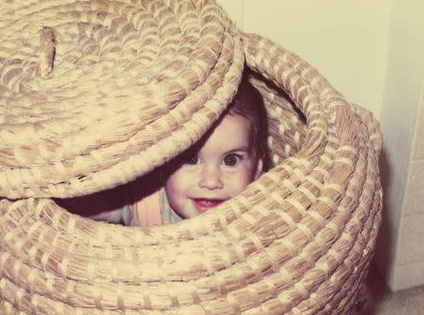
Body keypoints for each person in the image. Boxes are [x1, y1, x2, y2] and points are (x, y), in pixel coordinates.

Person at [58, 75, 269, 226]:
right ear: (163, 160)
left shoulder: (258, 212)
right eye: (192, 159)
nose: (211, 181)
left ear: (257, 168)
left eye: (231, 161)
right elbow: (81, 206)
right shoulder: (142, 201)